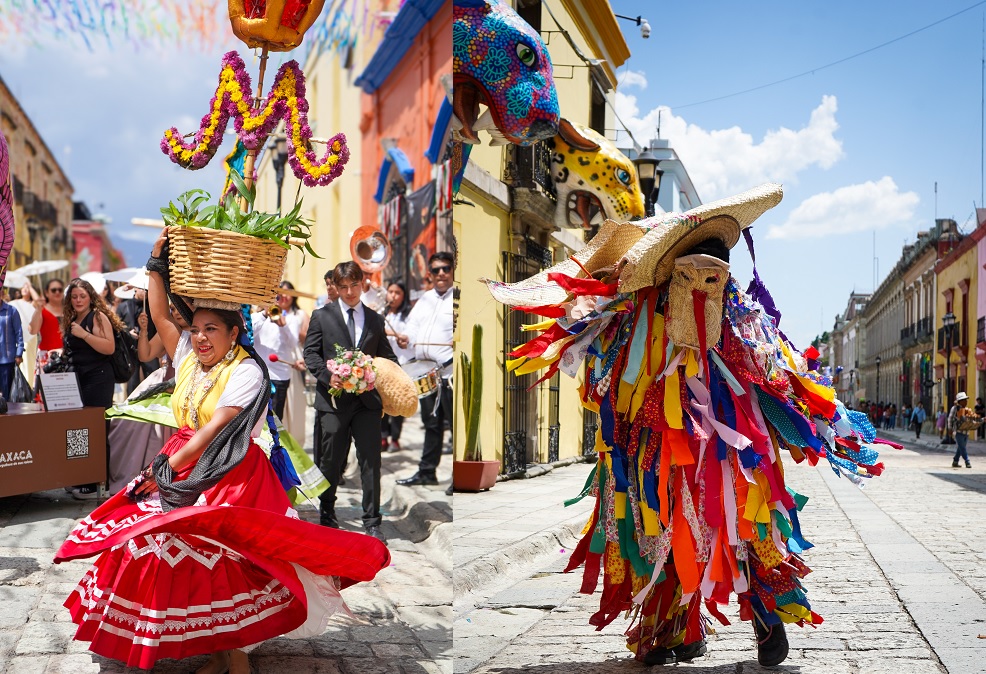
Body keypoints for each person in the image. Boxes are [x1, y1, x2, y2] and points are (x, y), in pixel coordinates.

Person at [484, 184, 893, 667]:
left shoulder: (649, 307)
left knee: (679, 528)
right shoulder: (724, 307)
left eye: (714, 273)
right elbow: (771, 368)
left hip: (674, 446)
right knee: (728, 526)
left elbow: (606, 369)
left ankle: (675, 630)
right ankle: (741, 619)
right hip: (709, 445)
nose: (706, 281)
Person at [54, 229, 389, 672]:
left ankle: (237, 661)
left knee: (229, 563)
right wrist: (157, 261)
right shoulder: (190, 355)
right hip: (183, 463)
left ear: (235, 332)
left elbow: (213, 431)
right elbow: (158, 311)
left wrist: (161, 468)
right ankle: (219, 653)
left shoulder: (246, 369)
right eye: (196, 329)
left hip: (232, 476)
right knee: (173, 555)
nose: (201, 337)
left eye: (212, 329)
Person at [304, 261, 398, 542]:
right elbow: (310, 354)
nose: (348, 292)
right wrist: (326, 376)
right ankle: (327, 513)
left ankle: (372, 521)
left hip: (367, 403)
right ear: (336, 286)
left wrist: (376, 374)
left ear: (362, 284)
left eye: (353, 285)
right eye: (342, 286)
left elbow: (388, 359)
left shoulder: (375, 320)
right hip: (332, 402)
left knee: (371, 461)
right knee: (330, 461)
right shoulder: (321, 316)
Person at [61, 278, 125, 499]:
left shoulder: (97, 316)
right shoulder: (73, 318)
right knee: (78, 430)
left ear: (90, 297)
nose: (78, 300)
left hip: (97, 379)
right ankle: (81, 476)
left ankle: (98, 482)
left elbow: (109, 347)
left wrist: (84, 335)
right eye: (74, 296)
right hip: (76, 380)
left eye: (82, 296)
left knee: (96, 431)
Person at [396, 252, 454, 487]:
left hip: (450, 373)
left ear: (452, 271)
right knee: (431, 425)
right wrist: (405, 339)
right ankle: (427, 472)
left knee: (454, 426)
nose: (441, 273)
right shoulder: (425, 299)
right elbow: (411, 329)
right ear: (429, 274)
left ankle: (457, 477)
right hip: (427, 375)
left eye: (446, 269)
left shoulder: (458, 297)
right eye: (436, 270)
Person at [252, 282, 308, 420]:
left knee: (275, 419)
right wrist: (264, 314)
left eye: (287, 293)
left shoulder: (293, 319)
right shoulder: (258, 316)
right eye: (280, 293)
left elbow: (292, 344)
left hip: (279, 376)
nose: (283, 296)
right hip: (257, 374)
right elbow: (249, 332)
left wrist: (283, 327)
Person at [381, 281, 414, 452]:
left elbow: (410, 335)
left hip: (402, 364)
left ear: (403, 296)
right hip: (385, 366)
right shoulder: (382, 312)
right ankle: (383, 437)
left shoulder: (409, 315)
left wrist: (404, 338)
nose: (393, 296)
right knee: (383, 402)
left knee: (399, 402)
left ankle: (395, 438)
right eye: (390, 292)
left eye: (397, 292)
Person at [28, 278, 65, 385]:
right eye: (54, 290)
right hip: (47, 357)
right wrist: (38, 309)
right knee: (47, 392)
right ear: (47, 293)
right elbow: (32, 330)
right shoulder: (42, 310)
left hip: (66, 356)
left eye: (60, 289)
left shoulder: (69, 310)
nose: (57, 292)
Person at [0, 289, 24, 400]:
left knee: (6, 393)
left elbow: (19, 333)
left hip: (7, 359)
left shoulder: (11, 311)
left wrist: (19, 353)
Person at [949, 392, 978, 468]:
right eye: (964, 400)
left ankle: (955, 461)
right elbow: (950, 419)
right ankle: (967, 461)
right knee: (962, 447)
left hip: (966, 431)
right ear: (960, 401)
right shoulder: (954, 409)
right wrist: (950, 429)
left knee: (960, 447)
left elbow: (971, 419)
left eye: (966, 400)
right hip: (958, 432)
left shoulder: (967, 410)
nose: (966, 401)